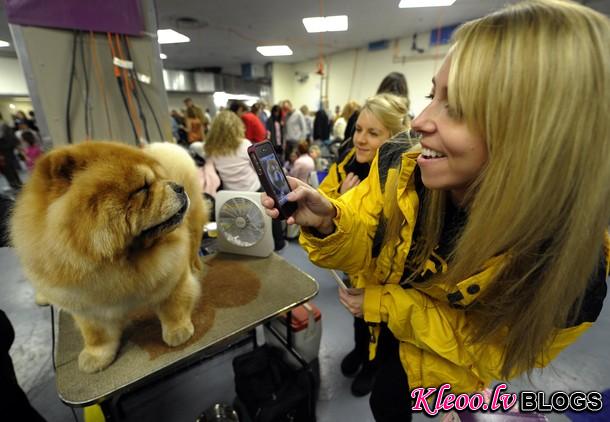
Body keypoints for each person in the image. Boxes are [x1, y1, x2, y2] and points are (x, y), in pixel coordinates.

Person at [262, 1, 610, 421]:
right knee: (386, 402)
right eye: (432, 95)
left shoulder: (571, 275)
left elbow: (484, 354)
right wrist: (328, 220)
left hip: (443, 378)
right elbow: (367, 232)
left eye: (457, 106)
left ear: (538, 138)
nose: (422, 120)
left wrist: (387, 305)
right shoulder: (402, 164)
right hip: (390, 344)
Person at [318, 93, 411, 397]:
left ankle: (373, 367)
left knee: (383, 330)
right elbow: (322, 200)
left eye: (373, 133)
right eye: (359, 129)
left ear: (394, 139)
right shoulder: (347, 162)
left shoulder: (402, 179)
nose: (360, 139)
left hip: (387, 278)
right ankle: (361, 352)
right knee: (357, 316)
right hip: (356, 267)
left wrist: (343, 202)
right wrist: (339, 199)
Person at [0, 113, 22, 190]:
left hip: (4, 152)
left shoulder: (3, 127)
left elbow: (7, 140)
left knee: (7, 169)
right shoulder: (5, 125)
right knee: (10, 169)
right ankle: (17, 184)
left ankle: (15, 185)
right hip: (8, 151)